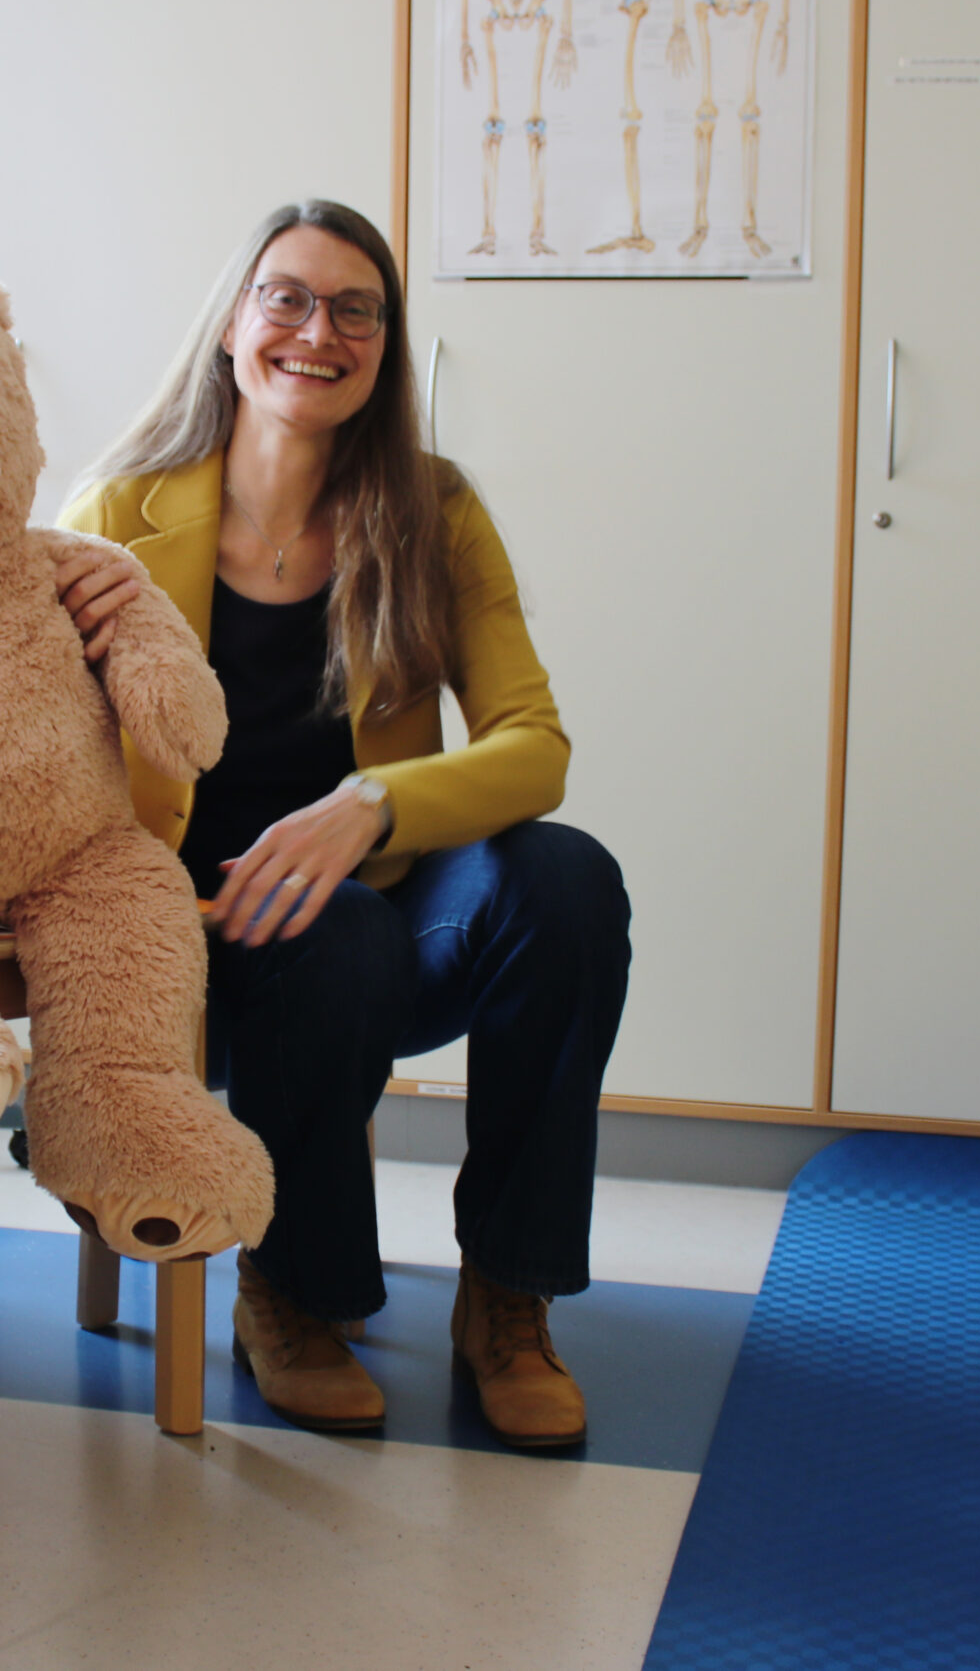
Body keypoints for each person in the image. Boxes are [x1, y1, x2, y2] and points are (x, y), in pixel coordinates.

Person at [53, 199, 629, 1449]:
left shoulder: (434, 512)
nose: (319, 331)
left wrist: (365, 805)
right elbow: (37, 748)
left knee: (565, 881)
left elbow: (536, 747)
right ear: (231, 324)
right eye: (288, 298)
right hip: (184, 934)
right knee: (336, 936)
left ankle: (508, 1296)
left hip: (376, 923)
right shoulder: (116, 514)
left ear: (385, 346)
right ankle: (294, 1292)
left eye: (355, 309)